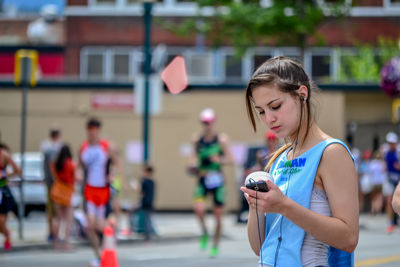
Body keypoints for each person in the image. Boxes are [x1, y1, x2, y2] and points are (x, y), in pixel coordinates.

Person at [240, 56, 359, 267]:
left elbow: (348, 238)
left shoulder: (332, 152)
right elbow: (261, 248)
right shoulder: (279, 158)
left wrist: (284, 206)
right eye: (261, 112)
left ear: (302, 94)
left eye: (275, 106)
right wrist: (255, 206)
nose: (269, 119)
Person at [188, 108, 234, 257]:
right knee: (198, 209)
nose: (207, 125)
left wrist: (219, 159)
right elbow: (193, 156)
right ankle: (204, 232)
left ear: (214, 122)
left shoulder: (221, 139)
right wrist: (192, 165)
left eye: (209, 122)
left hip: (217, 181)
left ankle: (215, 244)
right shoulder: (197, 139)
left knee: (218, 215)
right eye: (204, 122)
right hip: (203, 179)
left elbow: (230, 159)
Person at [79, 118, 114, 267]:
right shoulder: (84, 147)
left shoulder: (106, 146)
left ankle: (110, 237)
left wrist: (112, 174)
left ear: (98, 130)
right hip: (89, 189)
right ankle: (98, 255)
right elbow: (80, 165)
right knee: (89, 226)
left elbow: (115, 162)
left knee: (100, 227)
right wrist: (78, 173)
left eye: (95, 129)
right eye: (90, 129)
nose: (92, 132)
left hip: (103, 190)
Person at [238, 130, 279, 223]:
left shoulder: (279, 153)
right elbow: (259, 168)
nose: (271, 142)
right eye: (269, 139)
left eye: (273, 139)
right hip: (265, 178)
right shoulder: (262, 153)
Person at [52, 144, 77, 251]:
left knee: (58, 219)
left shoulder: (57, 164)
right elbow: (75, 177)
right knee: (68, 220)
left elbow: (55, 175)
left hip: (58, 190)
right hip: (68, 191)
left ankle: (56, 243)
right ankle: (66, 244)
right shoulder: (71, 164)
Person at [40, 127, 62, 242]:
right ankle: (53, 233)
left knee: (51, 209)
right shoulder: (53, 149)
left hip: (49, 182)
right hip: (54, 183)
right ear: (57, 136)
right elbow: (52, 166)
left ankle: (52, 232)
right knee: (55, 209)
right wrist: (57, 179)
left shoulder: (45, 147)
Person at [0, 142, 21, 251]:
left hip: (3, 191)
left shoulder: (3, 154)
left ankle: (7, 235)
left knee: (1, 221)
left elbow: (18, 171)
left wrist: (5, 175)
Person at [382, 132, 400, 233]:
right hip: (389, 178)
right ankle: (390, 222)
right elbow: (384, 162)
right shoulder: (385, 150)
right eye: (389, 142)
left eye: (392, 142)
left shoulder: (398, 151)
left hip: (398, 179)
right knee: (389, 200)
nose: (391, 144)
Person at [140, 164, 156, 241]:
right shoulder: (152, 182)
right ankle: (148, 235)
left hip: (145, 203)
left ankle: (148, 236)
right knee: (149, 219)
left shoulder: (145, 182)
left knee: (147, 220)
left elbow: (142, 193)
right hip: (150, 202)